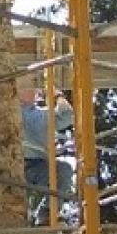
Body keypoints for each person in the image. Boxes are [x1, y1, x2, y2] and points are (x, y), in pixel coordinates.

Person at [19, 86, 74, 225]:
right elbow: (67, 115)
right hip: (16, 164)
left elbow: (67, 116)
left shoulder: (40, 115)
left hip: (36, 166)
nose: (34, 91)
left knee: (63, 169)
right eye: (30, 87)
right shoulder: (36, 115)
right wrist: (56, 95)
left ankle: (47, 214)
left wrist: (56, 95)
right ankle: (40, 215)